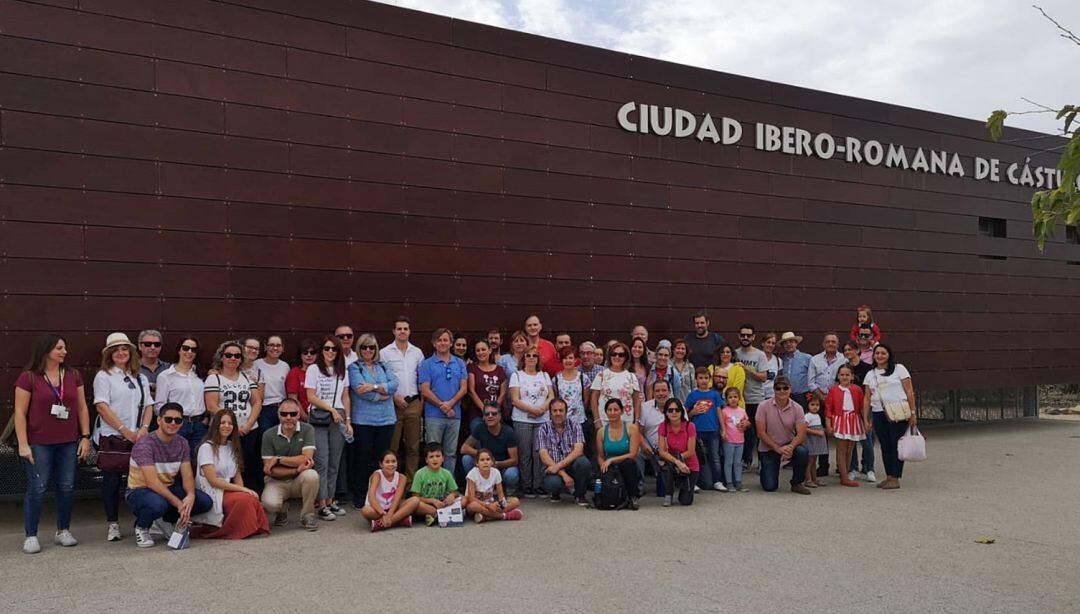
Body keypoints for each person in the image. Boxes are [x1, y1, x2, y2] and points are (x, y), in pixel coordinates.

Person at [14, 333, 92, 554]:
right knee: (37, 488)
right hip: (39, 441)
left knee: (66, 487)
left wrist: (85, 437)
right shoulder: (28, 378)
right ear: (46, 350)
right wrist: (23, 444)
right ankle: (31, 535)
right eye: (59, 348)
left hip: (67, 441)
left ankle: (63, 530)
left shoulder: (73, 375)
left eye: (65, 348)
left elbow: (82, 407)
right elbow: (19, 413)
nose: (64, 352)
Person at [93, 332, 154, 543]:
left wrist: (144, 428)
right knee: (111, 481)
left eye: (124, 348)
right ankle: (113, 524)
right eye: (116, 349)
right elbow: (102, 406)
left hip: (139, 436)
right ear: (109, 354)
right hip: (114, 437)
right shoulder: (104, 376)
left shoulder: (141, 377)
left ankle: (143, 521)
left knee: (141, 480)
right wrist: (124, 430)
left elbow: (149, 406)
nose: (121, 352)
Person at [125, 403, 213, 548]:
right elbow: (152, 482)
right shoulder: (145, 444)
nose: (173, 423)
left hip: (167, 487)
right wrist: (179, 504)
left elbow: (187, 476)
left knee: (204, 501)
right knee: (157, 504)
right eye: (168, 419)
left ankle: (165, 520)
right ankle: (142, 526)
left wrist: (190, 496)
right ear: (159, 420)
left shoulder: (182, 443)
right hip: (140, 490)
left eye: (177, 420)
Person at [192, 410, 270, 539]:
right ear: (216, 425)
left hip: (227, 489)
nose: (226, 426)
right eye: (223, 423)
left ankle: (254, 528)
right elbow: (213, 481)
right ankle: (239, 530)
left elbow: (237, 476)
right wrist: (242, 490)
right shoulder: (206, 448)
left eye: (230, 423)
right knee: (245, 498)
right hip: (212, 490)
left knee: (249, 497)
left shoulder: (231, 446)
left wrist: (244, 491)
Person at [205, 340, 263, 495]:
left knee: (248, 467)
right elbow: (211, 406)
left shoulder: (247, 377)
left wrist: (249, 424)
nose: (233, 358)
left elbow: (257, 401)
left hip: (249, 430)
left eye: (237, 355)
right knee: (227, 467)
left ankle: (251, 500)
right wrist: (231, 426)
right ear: (221, 357)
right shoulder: (214, 378)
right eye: (229, 355)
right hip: (224, 431)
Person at [348, 333, 398, 509]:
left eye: (371, 347)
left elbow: (394, 385)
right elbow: (360, 389)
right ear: (359, 349)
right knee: (362, 458)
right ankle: (361, 495)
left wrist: (375, 387)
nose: (368, 350)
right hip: (363, 421)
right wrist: (382, 396)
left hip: (386, 420)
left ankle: (379, 494)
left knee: (380, 459)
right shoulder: (354, 368)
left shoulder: (383, 365)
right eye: (364, 347)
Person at [305, 335, 351, 519]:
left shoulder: (342, 370)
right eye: (327, 348)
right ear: (321, 351)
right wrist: (331, 409)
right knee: (322, 461)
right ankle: (322, 503)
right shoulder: (314, 369)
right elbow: (311, 396)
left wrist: (348, 420)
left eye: (334, 349)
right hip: (320, 416)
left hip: (338, 415)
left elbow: (346, 396)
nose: (330, 352)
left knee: (335, 461)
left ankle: (331, 500)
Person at [862, 344, 917, 490]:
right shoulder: (870, 374)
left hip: (898, 411)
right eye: (877, 353)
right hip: (879, 412)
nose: (879, 356)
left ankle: (896, 477)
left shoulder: (899, 369)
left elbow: (909, 391)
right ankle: (889, 476)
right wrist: (865, 418)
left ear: (889, 355)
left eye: (883, 353)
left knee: (896, 445)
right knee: (885, 446)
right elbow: (867, 398)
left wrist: (912, 413)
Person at [260, 398, 319, 531]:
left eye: (293, 414)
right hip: (276, 481)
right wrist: (297, 469)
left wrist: (279, 459)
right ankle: (281, 509)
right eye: (284, 414)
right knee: (270, 504)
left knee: (312, 475)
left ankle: (308, 516)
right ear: (278, 415)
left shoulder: (308, 429)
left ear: (299, 414)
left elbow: (307, 459)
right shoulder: (268, 435)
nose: (288, 417)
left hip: (299, 480)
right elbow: (270, 470)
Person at [420, 328, 468, 474]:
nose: (442, 343)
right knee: (433, 454)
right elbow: (425, 390)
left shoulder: (459, 363)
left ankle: (448, 487)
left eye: (445, 340)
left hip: (455, 415)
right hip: (434, 415)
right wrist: (444, 407)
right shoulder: (427, 364)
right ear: (434, 343)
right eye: (439, 340)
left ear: (451, 343)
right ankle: (434, 487)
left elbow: (464, 388)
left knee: (450, 453)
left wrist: (450, 404)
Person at [382, 316, 425, 478]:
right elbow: (382, 378)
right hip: (393, 404)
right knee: (392, 447)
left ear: (409, 331)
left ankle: (411, 484)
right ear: (394, 331)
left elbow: (421, 378)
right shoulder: (385, 353)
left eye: (405, 329)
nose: (402, 331)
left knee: (413, 447)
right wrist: (394, 397)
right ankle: (392, 483)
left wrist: (421, 402)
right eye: (399, 328)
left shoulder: (417, 352)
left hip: (413, 403)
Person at [509, 345, 554, 497]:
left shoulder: (545, 375)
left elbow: (551, 396)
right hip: (522, 419)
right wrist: (532, 410)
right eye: (528, 355)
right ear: (523, 358)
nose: (531, 358)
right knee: (525, 454)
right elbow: (515, 399)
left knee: (539, 454)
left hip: (542, 420)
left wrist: (541, 410)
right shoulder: (517, 375)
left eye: (534, 355)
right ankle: (526, 485)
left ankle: (539, 485)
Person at [756, 376, 811, 495]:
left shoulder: (798, 408)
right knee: (770, 486)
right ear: (774, 389)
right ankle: (765, 470)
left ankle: (797, 483)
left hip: (788, 445)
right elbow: (760, 433)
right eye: (778, 388)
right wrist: (777, 449)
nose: (782, 391)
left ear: (790, 389)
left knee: (803, 452)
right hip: (768, 447)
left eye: (785, 388)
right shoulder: (763, 406)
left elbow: (801, 433)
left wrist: (790, 447)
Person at [154, 336, 205, 460]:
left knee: (197, 462)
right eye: (186, 348)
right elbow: (159, 406)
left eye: (193, 349)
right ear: (179, 350)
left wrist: (206, 418)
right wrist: (168, 423)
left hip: (200, 425)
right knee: (175, 461)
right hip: (177, 425)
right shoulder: (166, 376)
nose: (189, 352)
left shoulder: (200, 374)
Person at [536, 398, 591, 505]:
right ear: (550, 413)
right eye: (555, 411)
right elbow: (544, 456)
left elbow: (579, 450)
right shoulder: (543, 428)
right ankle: (555, 493)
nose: (558, 413)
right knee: (553, 483)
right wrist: (562, 473)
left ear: (566, 412)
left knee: (583, 463)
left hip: (571, 465)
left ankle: (580, 495)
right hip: (552, 467)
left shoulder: (575, 425)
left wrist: (559, 466)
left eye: (561, 411)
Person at [459, 402, 521, 495]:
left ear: (500, 416)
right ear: (483, 417)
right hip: (485, 464)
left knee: (511, 474)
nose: (490, 416)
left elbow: (514, 460)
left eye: (494, 413)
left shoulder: (508, 432)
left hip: (502, 466)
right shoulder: (480, 427)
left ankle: (509, 491)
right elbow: (464, 448)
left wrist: (495, 463)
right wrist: (484, 456)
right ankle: (478, 488)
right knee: (466, 459)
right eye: (487, 414)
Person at [807, 332, 843, 478]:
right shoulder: (815, 360)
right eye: (828, 341)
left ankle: (843, 467)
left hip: (838, 399)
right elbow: (811, 382)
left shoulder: (843, 359)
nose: (830, 344)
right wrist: (822, 397)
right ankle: (823, 466)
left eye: (833, 342)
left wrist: (833, 396)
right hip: (819, 401)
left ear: (837, 344)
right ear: (823, 344)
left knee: (842, 433)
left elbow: (844, 379)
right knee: (821, 434)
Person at [826, 363, 866, 488]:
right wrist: (829, 424)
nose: (844, 377)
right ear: (838, 376)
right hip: (839, 419)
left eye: (847, 375)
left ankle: (845, 472)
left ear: (852, 376)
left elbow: (861, 407)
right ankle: (844, 477)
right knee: (841, 449)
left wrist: (865, 422)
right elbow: (828, 408)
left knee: (850, 449)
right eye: (842, 375)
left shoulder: (857, 390)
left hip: (853, 419)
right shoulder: (833, 390)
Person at [596, 399, 642, 510]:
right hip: (610, 466)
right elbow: (601, 456)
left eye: (616, 409)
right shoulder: (601, 432)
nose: (612, 412)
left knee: (629, 463)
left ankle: (633, 497)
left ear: (621, 411)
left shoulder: (631, 428)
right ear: (606, 412)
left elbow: (633, 454)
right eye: (609, 410)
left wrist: (612, 460)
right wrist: (603, 467)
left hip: (627, 464)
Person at [734, 324, 768, 468]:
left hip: (756, 398)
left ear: (753, 337)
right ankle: (746, 460)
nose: (745, 338)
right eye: (743, 335)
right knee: (743, 431)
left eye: (748, 335)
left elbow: (763, 377)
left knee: (760, 432)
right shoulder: (734, 353)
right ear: (739, 336)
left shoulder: (760, 355)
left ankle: (762, 461)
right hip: (739, 400)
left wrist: (746, 369)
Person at [360, 450, 419, 531]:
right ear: (381, 464)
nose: (391, 464)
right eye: (387, 462)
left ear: (397, 463)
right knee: (365, 510)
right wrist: (383, 514)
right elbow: (371, 497)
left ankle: (382, 524)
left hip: (393, 509)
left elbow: (397, 499)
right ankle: (399, 520)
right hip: (377, 509)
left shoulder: (402, 477)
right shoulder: (377, 475)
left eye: (393, 461)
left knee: (415, 500)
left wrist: (389, 514)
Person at [685, 367, 722, 491]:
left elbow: (719, 412)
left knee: (715, 456)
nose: (703, 381)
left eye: (706, 378)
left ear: (710, 379)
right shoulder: (692, 395)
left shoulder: (715, 395)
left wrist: (723, 429)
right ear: (696, 379)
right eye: (700, 378)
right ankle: (696, 481)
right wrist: (693, 412)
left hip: (713, 430)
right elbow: (685, 415)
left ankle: (717, 480)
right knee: (698, 457)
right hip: (697, 432)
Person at [842, 340, 875, 481]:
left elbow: (871, 389)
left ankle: (869, 468)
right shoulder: (843, 368)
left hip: (864, 407)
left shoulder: (867, 368)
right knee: (851, 440)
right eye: (845, 350)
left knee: (866, 440)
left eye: (850, 349)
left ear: (857, 350)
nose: (848, 352)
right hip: (849, 408)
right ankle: (853, 468)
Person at [657, 398, 699, 506]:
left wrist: (679, 460)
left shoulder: (690, 426)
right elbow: (661, 451)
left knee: (686, 501)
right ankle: (668, 494)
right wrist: (677, 462)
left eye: (677, 410)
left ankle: (684, 488)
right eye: (670, 410)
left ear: (682, 411)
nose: (674, 412)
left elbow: (690, 451)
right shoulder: (663, 427)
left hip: (689, 465)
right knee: (666, 463)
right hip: (673, 462)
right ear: (666, 412)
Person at [590, 341, 642, 426]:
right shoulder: (601, 375)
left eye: (621, 355)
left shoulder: (632, 377)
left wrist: (637, 421)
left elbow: (636, 401)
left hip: (626, 421)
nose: (617, 357)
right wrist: (597, 421)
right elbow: (593, 399)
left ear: (626, 357)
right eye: (614, 354)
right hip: (605, 421)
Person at [463, 449, 523, 522]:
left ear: (492, 462)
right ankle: (503, 516)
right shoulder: (472, 474)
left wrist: (500, 505)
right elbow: (471, 499)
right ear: (477, 463)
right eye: (482, 460)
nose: (485, 462)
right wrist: (487, 505)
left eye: (488, 459)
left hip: (491, 504)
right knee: (473, 505)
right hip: (477, 505)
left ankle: (485, 516)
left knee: (515, 501)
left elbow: (501, 496)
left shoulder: (496, 472)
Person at [552, 345, 591, 456]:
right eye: (565, 358)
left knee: (580, 453)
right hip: (561, 422)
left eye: (570, 358)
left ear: (575, 360)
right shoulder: (556, 380)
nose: (568, 361)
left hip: (579, 421)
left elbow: (586, 400)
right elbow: (555, 399)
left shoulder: (583, 378)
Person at [409, 442, 460, 526]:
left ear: (443, 458)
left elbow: (455, 492)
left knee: (465, 499)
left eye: (438, 456)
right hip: (426, 504)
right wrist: (432, 501)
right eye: (431, 457)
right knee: (415, 504)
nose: (435, 459)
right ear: (426, 460)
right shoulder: (420, 474)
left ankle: (436, 515)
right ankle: (438, 514)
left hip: (442, 504)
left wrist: (452, 495)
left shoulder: (446, 473)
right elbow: (415, 497)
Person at [467, 339, 507, 433]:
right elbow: (471, 391)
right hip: (477, 414)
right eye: (478, 350)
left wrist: (493, 412)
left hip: (496, 415)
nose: (481, 353)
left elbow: (503, 393)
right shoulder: (472, 368)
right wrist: (486, 411)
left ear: (489, 350)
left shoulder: (499, 370)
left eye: (483, 349)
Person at [637, 379, 669, 497]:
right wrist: (643, 444)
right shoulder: (645, 407)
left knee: (663, 492)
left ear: (669, 392)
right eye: (658, 391)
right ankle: (638, 486)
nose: (661, 393)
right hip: (649, 448)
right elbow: (638, 432)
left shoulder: (677, 406)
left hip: (669, 449)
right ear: (653, 393)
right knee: (636, 454)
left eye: (664, 390)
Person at [254, 335, 290, 430]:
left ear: (283, 348)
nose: (275, 348)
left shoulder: (285, 366)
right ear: (266, 347)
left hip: (282, 407)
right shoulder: (256, 364)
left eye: (278, 345)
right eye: (271, 345)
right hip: (263, 408)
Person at [720, 387, 750, 493]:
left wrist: (745, 424)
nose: (733, 399)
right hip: (729, 441)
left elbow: (747, 422)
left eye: (735, 397)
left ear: (739, 398)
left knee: (738, 462)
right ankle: (729, 482)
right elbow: (722, 425)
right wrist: (723, 434)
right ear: (726, 399)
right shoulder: (724, 411)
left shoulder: (742, 411)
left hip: (740, 440)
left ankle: (738, 482)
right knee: (728, 462)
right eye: (730, 397)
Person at [777, 332, 813, 410]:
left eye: (791, 342)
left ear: (796, 343)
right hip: (786, 396)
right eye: (785, 343)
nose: (788, 344)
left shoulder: (807, 358)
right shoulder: (782, 361)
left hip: (802, 396)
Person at [498, 331, 528, 421]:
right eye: (516, 341)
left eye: (522, 340)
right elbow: (499, 381)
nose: (519, 343)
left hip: (526, 402)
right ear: (512, 344)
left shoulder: (530, 359)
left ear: (527, 343)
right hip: (507, 401)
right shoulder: (504, 359)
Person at [285, 339, 317, 421]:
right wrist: (306, 418)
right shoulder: (294, 373)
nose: (309, 355)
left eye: (312, 352)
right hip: (302, 417)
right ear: (300, 355)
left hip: (322, 415)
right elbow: (293, 398)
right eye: (305, 353)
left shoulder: (322, 372)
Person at [802, 397, 828, 488]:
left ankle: (814, 478)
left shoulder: (817, 416)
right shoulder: (807, 416)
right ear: (808, 405)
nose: (815, 407)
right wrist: (817, 432)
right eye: (812, 405)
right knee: (809, 461)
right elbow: (804, 428)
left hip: (817, 440)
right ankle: (808, 480)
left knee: (814, 461)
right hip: (811, 440)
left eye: (817, 405)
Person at [137, 329, 170, 398]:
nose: (153, 347)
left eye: (157, 344)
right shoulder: (132, 368)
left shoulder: (169, 368)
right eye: (148, 344)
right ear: (140, 346)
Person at [711, 344, 745, 409]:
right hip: (714, 404)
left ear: (732, 354)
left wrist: (723, 397)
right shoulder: (711, 368)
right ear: (719, 354)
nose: (725, 354)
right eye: (722, 352)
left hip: (735, 406)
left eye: (728, 352)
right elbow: (709, 386)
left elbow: (737, 388)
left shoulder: (738, 369)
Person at [759, 332, 783, 401]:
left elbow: (778, 380)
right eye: (768, 342)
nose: (770, 345)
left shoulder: (778, 361)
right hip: (758, 396)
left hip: (772, 397)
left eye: (773, 343)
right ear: (763, 343)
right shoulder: (756, 358)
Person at [670, 339, 695, 403]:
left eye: (683, 349)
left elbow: (694, 387)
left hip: (687, 402)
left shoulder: (690, 367)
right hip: (670, 402)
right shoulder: (668, 365)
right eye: (678, 348)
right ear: (673, 350)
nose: (680, 351)